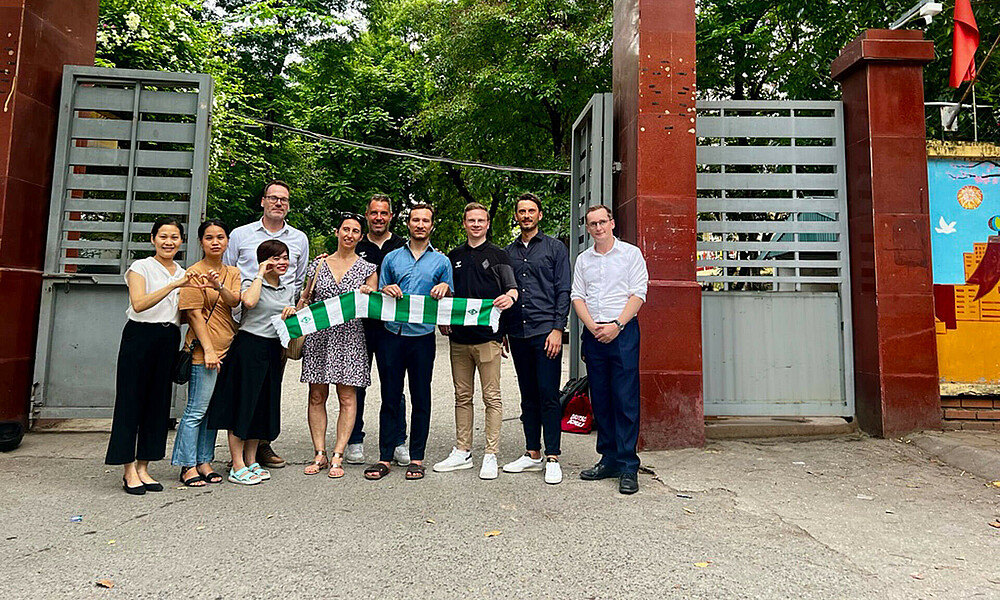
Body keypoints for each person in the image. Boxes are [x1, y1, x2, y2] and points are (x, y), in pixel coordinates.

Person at [106, 217, 205, 495]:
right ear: (153, 239)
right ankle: (127, 470)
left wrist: (202, 290)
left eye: (174, 237)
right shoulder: (141, 267)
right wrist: (175, 285)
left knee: (158, 403)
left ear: (181, 242)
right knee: (130, 401)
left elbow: (182, 315)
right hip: (139, 336)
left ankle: (143, 466)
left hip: (167, 338)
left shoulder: (183, 272)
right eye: (163, 236)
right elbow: (139, 304)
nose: (168, 242)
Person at [223, 179, 309, 469]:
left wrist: (290, 314)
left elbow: (296, 285)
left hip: (277, 333)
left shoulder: (299, 239)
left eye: (284, 199)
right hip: (243, 325)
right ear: (262, 201)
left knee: (266, 392)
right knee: (239, 393)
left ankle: (259, 449)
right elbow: (229, 273)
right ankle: (229, 459)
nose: (278, 203)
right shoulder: (240, 235)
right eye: (273, 198)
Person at [364, 203, 453, 481]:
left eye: (425, 220)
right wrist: (384, 289)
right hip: (391, 336)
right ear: (408, 224)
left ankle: (417, 457)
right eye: (416, 220)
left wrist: (445, 288)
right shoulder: (391, 259)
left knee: (421, 397)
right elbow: (378, 294)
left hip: (422, 339)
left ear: (431, 225)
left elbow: (449, 302)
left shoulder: (442, 262)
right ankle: (385, 457)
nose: (420, 225)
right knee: (390, 397)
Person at [432, 203, 518, 480]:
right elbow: (446, 292)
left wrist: (510, 298)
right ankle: (462, 451)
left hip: (488, 339)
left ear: (488, 223)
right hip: (459, 339)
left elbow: (512, 288)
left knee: (492, 398)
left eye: (481, 220)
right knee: (462, 396)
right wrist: (443, 315)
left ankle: (491, 454)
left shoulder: (498, 255)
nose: (476, 224)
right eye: (471, 220)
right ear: (464, 223)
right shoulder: (453, 256)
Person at [571, 205, 648, 495]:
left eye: (602, 221)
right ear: (588, 228)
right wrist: (592, 327)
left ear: (612, 223)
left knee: (625, 398)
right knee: (601, 398)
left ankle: (629, 465)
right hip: (594, 333)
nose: (598, 227)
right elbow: (577, 295)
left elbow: (638, 293)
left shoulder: (630, 254)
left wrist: (616, 324)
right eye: (592, 224)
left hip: (623, 331)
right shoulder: (584, 260)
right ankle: (609, 458)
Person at [207, 240, 297, 485]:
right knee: (243, 403)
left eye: (285, 257)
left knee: (261, 405)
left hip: (272, 348)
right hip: (248, 347)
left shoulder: (288, 288)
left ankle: (251, 459)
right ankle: (237, 464)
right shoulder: (251, 283)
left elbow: (286, 321)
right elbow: (248, 302)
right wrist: (259, 274)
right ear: (264, 260)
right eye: (275, 258)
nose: (281, 263)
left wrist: (290, 314)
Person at [300, 214, 378, 478]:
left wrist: (370, 294)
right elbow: (306, 299)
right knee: (316, 395)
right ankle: (319, 452)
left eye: (356, 231)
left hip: (349, 337)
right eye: (346, 229)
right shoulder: (318, 265)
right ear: (337, 232)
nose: (350, 234)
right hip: (320, 335)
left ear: (360, 236)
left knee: (347, 397)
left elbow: (373, 305)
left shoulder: (368, 268)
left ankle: (338, 454)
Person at [502, 193, 571, 485]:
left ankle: (553, 456)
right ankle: (532, 454)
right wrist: (503, 330)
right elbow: (505, 291)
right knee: (527, 395)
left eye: (531, 211)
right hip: (518, 332)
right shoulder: (507, 253)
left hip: (546, 332)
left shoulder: (555, 248)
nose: (526, 215)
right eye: (521, 211)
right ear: (516, 217)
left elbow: (563, 290)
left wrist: (558, 328)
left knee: (548, 395)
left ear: (539, 215)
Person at [169, 220, 242, 487]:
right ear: (201, 242)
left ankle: (205, 460)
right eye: (209, 237)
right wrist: (209, 350)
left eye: (220, 237)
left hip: (227, 349)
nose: (215, 242)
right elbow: (193, 314)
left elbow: (235, 301)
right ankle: (187, 464)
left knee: (213, 411)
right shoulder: (193, 273)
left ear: (226, 242)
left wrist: (218, 286)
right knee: (196, 410)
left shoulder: (231, 272)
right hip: (204, 351)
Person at [346, 194, 408, 466]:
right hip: (359, 326)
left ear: (391, 216)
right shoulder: (355, 245)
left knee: (393, 387)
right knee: (355, 386)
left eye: (384, 213)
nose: (379, 218)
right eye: (374, 213)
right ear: (367, 215)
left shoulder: (402, 247)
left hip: (392, 329)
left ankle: (397, 441)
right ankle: (354, 439)